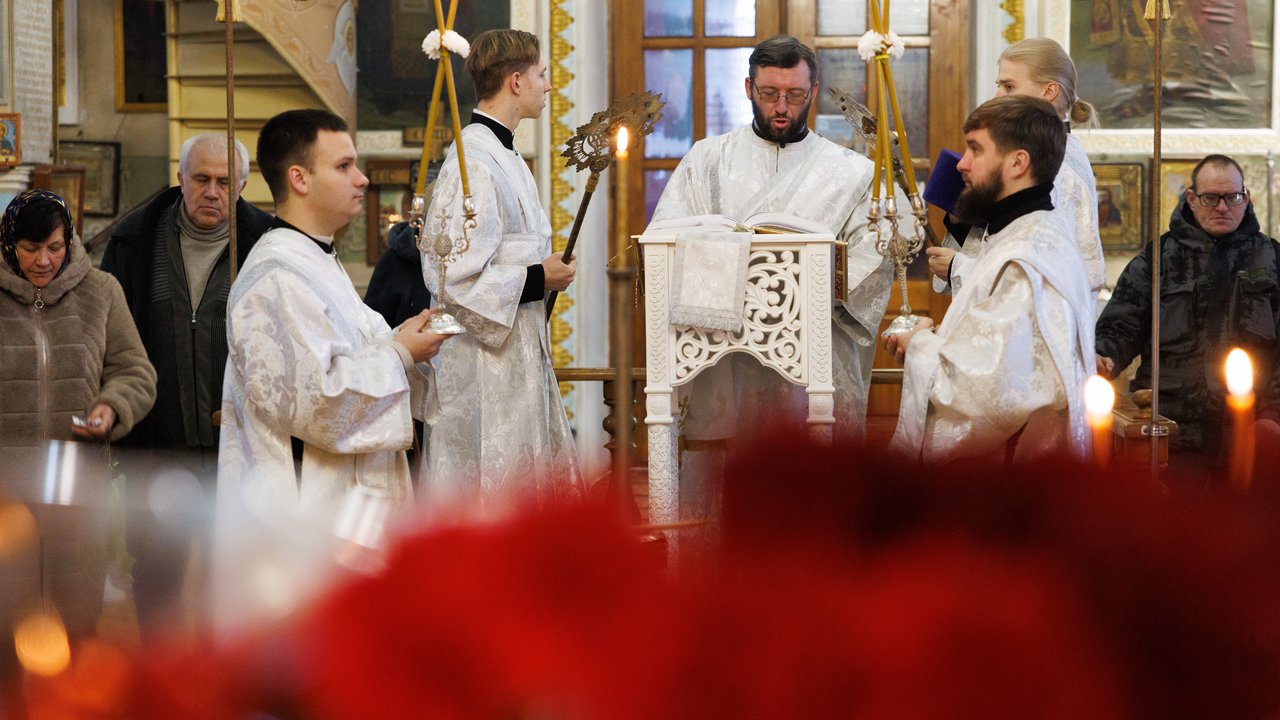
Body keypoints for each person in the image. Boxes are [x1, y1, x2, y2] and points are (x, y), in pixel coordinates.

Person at [647, 35, 891, 447]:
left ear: (813, 91)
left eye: (794, 95)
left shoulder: (851, 173)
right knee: (728, 471)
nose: (781, 107)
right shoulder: (707, 160)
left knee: (809, 464)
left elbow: (877, 255)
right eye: (769, 93)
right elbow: (664, 243)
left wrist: (807, 293)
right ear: (748, 88)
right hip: (722, 351)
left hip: (813, 352)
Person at [218, 109, 447, 509]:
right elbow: (316, 402)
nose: (362, 178)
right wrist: (402, 353)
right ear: (299, 179)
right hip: (303, 515)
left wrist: (408, 337)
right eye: (344, 166)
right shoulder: (275, 276)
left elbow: (356, 349)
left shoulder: (316, 258)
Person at [101, 134, 273, 638]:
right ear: (180, 178)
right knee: (157, 570)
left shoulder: (270, 246)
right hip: (159, 443)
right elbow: (110, 340)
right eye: (201, 179)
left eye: (224, 181)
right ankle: (161, 674)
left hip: (241, 445)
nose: (212, 192)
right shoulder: (135, 242)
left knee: (238, 571)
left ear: (242, 186)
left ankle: (230, 676)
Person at [422, 29, 582, 512]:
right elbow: (449, 278)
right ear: (515, 81)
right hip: (481, 372)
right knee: (487, 506)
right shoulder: (471, 162)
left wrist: (541, 275)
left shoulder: (505, 154)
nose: (547, 85)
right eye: (541, 75)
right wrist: (539, 278)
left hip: (515, 360)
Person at [887, 96, 1095, 463]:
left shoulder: (1027, 259)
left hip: (1009, 481)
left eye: (975, 149)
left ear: (1017, 162)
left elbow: (980, 397)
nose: (961, 164)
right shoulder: (1026, 234)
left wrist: (917, 344)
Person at [0, 189, 156, 676]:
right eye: (30, 249)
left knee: (78, 623)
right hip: (6, 491)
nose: (43, 261)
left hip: (77, 488)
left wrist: (111, 407)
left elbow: (134, 370)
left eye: (55, 247)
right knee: (6, 623)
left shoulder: (101, 291)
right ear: (8, 244)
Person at [1095, 154, 1280, 481]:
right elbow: (1119, 327)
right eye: (1210, 198)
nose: (1222, 207)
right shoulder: (1156, 259)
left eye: (1232, 197)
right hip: (1170, 433)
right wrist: (1103, 356)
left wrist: (1272, 415)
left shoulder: (1273, 259)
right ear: (1192, 199)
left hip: (1250, 433)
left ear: (1246, 197)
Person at [927, 37, 1105, 307]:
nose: (997, 96)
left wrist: (958, 268)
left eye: (1009, 86)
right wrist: (963, 218)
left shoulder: (1057, 166)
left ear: (1049, 91)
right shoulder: (1045, 151)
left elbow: (1041, 274)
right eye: (998, 86)